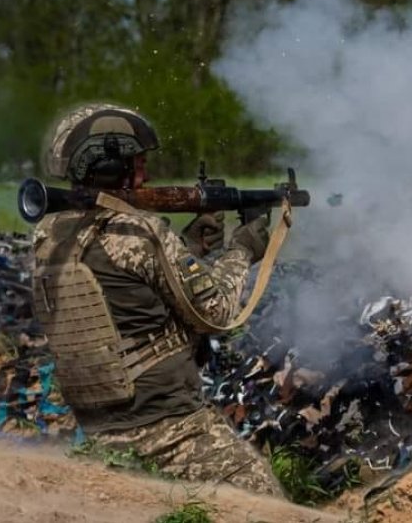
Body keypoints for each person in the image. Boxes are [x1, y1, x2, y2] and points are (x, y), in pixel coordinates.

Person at [30, 102, 283, 496]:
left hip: (99, 430)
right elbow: (215, 313)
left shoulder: (49, 234)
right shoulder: (141, 232)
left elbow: (124, 287)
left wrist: (187, 248)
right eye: (137, 164)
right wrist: (242, 250)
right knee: (265, 505)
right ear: (112, 168)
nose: (145, 174)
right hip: (170, 429)